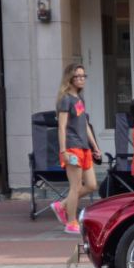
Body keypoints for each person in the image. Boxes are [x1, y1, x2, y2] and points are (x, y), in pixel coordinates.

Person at [52, 64, 101, 235]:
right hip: (72, 148)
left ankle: (62, 205)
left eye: (83, 76)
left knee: (92, 185)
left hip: (84, 147)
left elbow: (85, 124)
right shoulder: (65, 99)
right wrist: (63, 151)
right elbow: (62, 127)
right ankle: (71, 222)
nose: (81, 79)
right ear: (70, 79)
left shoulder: (79, 99)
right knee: (75, 186)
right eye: (78, 76)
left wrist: (95, 146)